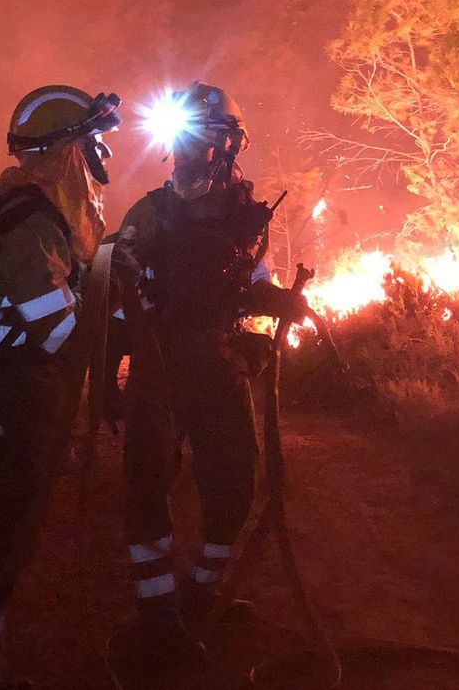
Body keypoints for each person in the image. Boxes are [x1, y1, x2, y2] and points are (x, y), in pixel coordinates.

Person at [109, 81, 306, 666]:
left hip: (221, 368)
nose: (191, 152)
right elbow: (116, 293)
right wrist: (115, 370)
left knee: (235, 487)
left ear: (229, 146)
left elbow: (250, 285)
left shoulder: (248, 220)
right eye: (184, 138)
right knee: (147, 488)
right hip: (160, 371)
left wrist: (273, 308)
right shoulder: (148, 213)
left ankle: (201, 592)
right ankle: (158, 613)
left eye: (205, 138)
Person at [0, 85, 118, 689]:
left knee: (0, 525)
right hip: (16, 401)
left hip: (15, 397)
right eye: (90, 143)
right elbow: (55, 330)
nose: (97, 158)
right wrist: (109, 299)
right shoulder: (30, 224)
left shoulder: (36, 217)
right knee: (3, 535)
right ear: (65, 151)